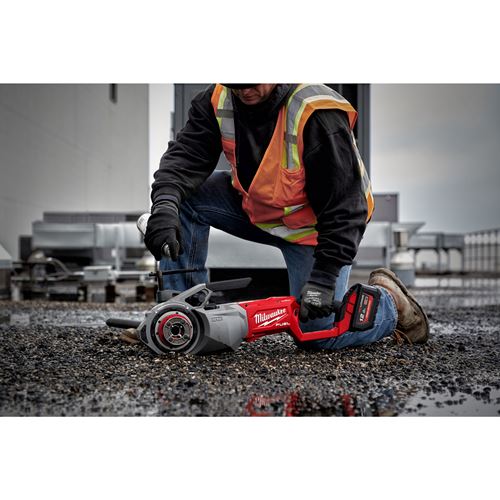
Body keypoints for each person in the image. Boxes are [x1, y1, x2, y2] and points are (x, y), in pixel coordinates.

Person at [144, 84, 429, 350]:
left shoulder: (316, 113)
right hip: (260, 210)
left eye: (252, 82)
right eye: (236, 84)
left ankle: (390, 305)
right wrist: (164, 208)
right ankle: (179, 316)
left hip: (313, 232)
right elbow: (183, 160)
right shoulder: (218, 99)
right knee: (181, 198)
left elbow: (345, 209)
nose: (244, 91)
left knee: (316, 333)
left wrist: (323, 279)